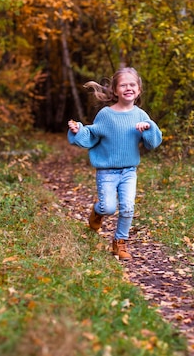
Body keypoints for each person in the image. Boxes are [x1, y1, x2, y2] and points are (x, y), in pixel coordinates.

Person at [67, 67, 162, 260]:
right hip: (107, 172)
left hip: (129, 171)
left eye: (132, 84)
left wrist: (148, 128)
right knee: (108, 208)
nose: (129, 88)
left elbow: (153, 143)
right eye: (123, 85)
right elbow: (92, 134)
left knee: (127, 207)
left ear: (139, 89)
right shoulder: (106, 115)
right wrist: (78, 130)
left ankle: (120, 243)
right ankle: (97, 210)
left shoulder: (141, 116)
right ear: (115, 90)